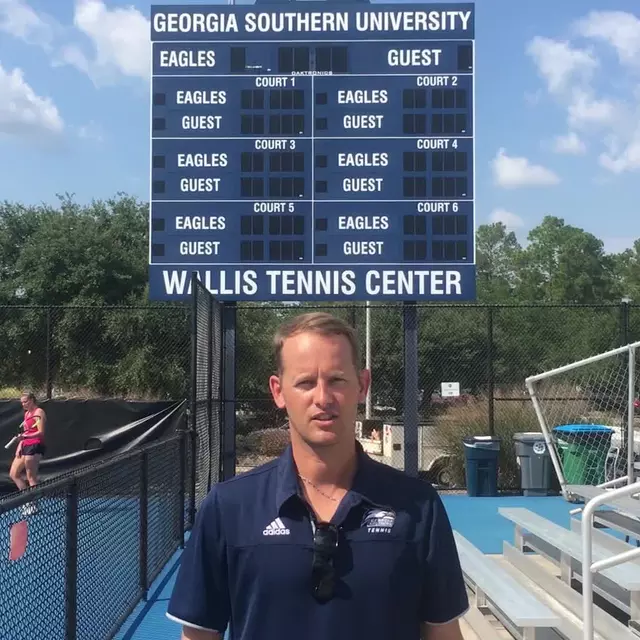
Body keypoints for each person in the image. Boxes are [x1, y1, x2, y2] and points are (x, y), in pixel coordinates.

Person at [167, 312, 468, 640]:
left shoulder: (419, 507)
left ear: (362, 385)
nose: (323, 398)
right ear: (278, 391)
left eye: (337, 380)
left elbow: (443, 634)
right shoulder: (228, 507)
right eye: (306, 382)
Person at [9, 392, 47, 500]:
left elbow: (41, 432)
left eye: (25, 402)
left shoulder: (39, 412)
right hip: (25, 445)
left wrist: (24, 437)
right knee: (13, 474)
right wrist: (20, 445)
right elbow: (26, 432)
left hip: (35, 445)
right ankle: (27, 499)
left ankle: (33, 503)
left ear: (32, 400)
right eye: (22, 402)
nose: (23, 404)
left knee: (31, 477)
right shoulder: (27, 414)